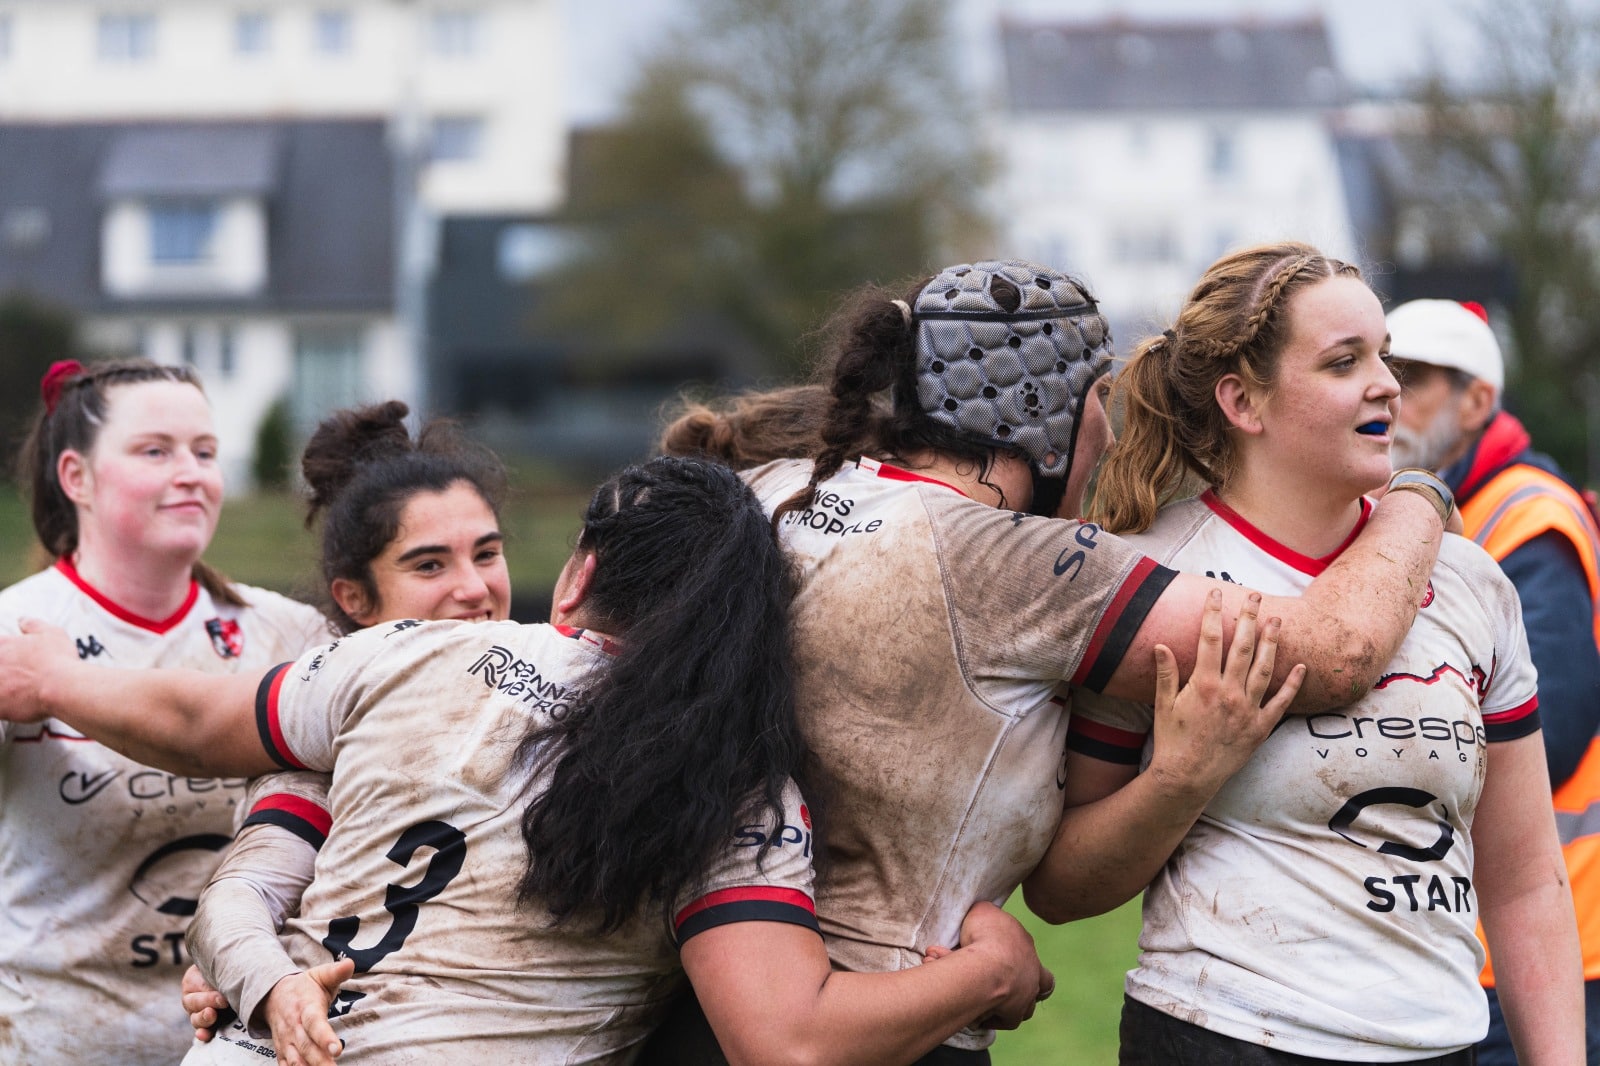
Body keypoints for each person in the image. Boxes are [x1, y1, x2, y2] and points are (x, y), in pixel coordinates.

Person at [650, 257, 1454, 1062]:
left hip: (705, 999)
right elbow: (1337, 653)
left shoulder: (784, 487)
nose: (1106, 433)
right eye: (1099, 400)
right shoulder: (1012, 562)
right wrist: (1418, 499)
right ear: (1061, 412)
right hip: (883, 1023)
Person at [0, 456, 1052, 1065]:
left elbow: (193, 721)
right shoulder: (729, 780)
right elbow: (789, 1039)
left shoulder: (407, 653)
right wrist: (986, 972)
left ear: (578, 572)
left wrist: (52, 680)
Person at [1060, 243, 1581, 1063]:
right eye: (1345, 362)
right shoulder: (1151, 578)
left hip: (1444, 1043)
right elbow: (1062, 887)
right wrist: (1181, 777)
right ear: (1242, 400)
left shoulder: (1474, 580)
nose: (1387, 385)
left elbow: (1523, 886)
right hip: (1224, 1036)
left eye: (1386, 358)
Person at [0, 360, 330, 1066]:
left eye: (205, 453)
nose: (191, 473)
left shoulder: (288, 633)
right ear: (76, 477)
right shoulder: (15, 633)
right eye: (156, 450)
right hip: (51, 1043)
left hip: (241, 1046)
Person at [177, 397, 516, 1043]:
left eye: (488, 554)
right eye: (430, 564)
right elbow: (233, 906)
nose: (474, 588)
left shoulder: (563, 695)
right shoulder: (322, 750)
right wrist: (266, 985)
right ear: (354, 599)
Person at [1387, 298, 1600, 1066]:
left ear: (1478, 399)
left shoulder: (1528, 516)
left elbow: (1559, 719)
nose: (1386, 395)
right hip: (1481, 934)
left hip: (1548, 942)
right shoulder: (1452, 511)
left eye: (1412, 379)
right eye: (1379, 372)